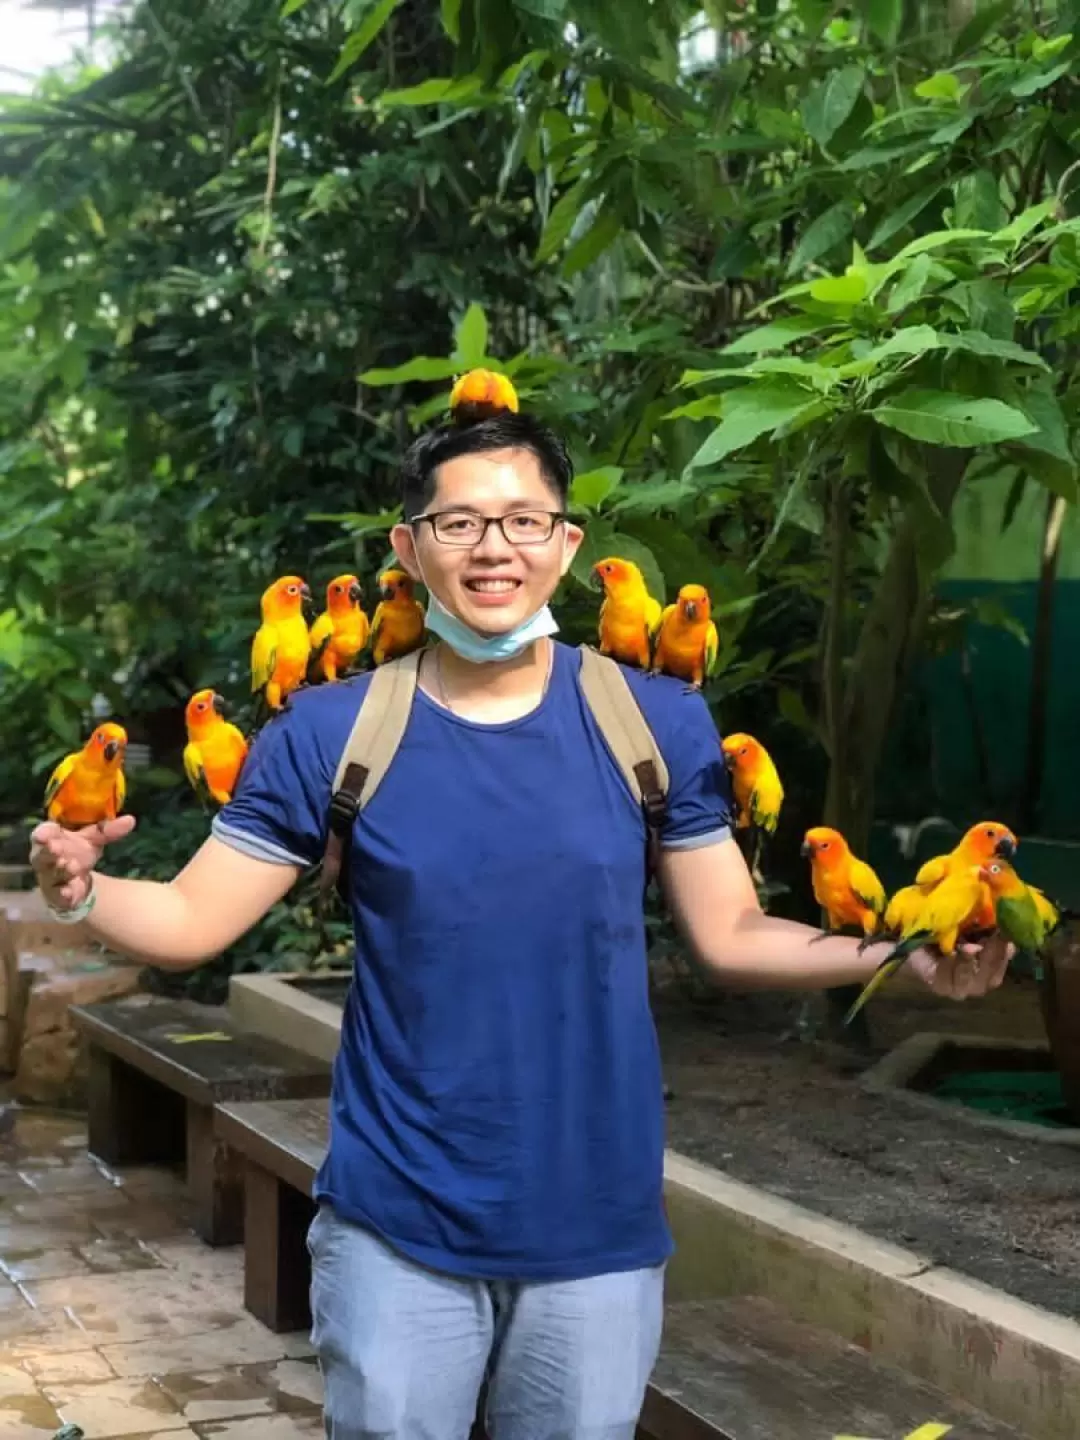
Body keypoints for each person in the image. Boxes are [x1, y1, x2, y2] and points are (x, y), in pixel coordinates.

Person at [29, 396, 1011, 1440]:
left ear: (567, 545)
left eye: (522, 520)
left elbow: (731, 931)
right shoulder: (331, 733)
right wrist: (80, 890)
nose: (493, 549)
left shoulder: (656, 722)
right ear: (409, 548)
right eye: (459, 522)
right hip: (396, 1225)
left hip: (595, 1230)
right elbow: (190, 914)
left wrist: (906, 955)